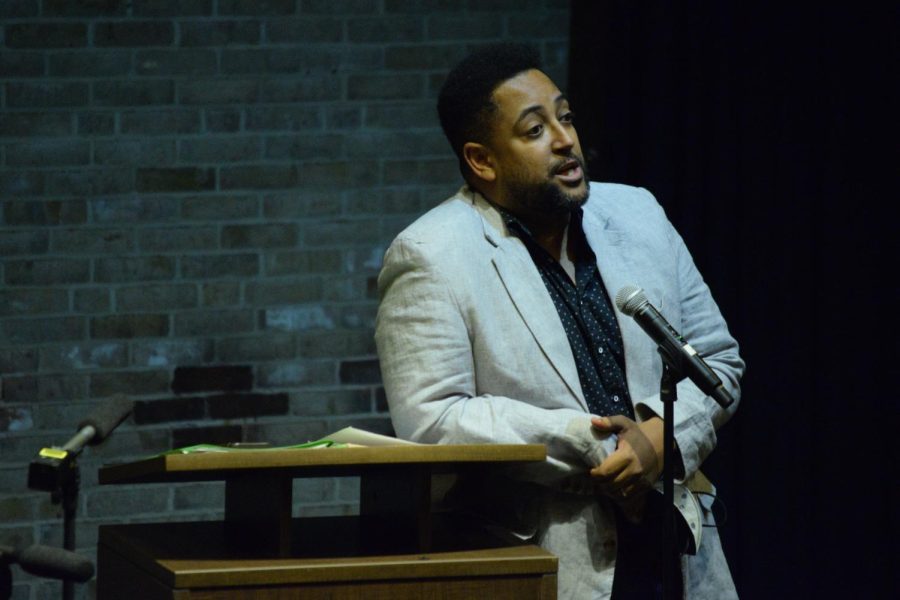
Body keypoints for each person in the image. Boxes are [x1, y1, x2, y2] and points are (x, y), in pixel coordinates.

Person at [374, 43, 743, 600]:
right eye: (534, 130)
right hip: (549, 561)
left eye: (564, 117)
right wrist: (590, 442)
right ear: (482, 160)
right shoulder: (431, 254)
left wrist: (661, 440)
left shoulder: (638, 214)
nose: (565, 139)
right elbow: (433, 419)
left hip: (679, 552)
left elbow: (716, 361)